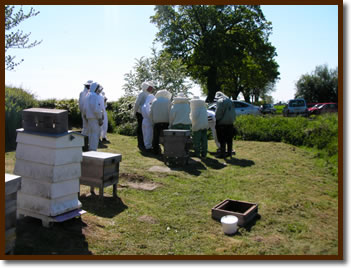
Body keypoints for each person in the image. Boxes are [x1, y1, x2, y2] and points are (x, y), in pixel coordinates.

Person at [215, 91, 236, 158]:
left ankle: (222, 153)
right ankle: (229, 153)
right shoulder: (230, 101)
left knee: (222, 139)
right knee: (229, 139)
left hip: (222, 123)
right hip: (230, 123)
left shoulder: (220, 101)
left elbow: (218, 112)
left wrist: (217, 119)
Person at [150, 89, 172, 155]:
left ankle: (155, 151)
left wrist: (153, 121)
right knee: (167, 138)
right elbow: (170, 113)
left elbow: (151, 113)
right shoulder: (168, 101)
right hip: (166, 122)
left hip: (157, 122)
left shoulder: (154, 101)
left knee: (156, 138)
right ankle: (167, 151)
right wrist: (171, 123)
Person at [134, 81, 154, 151]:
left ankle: (145, 143)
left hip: (145, 114)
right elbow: (136, 104)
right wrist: (134, 112)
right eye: (150, 87)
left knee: (145, 130)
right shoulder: (142, 94)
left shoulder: (149, 95)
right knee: (140, 129)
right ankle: (140, 143)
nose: (152, 89)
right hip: (140, 113)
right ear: (146, 87)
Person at [84, 82, 104, 151]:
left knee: (91, 134)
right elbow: (96, 109)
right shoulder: (94, 96)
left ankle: (91, 149)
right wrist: (100, 118)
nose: (99, 90)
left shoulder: (88, 95)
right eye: (98, 88)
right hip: (95, 118)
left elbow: (85, 108)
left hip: (89, 118)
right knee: (95, 135)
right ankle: (93, 150)